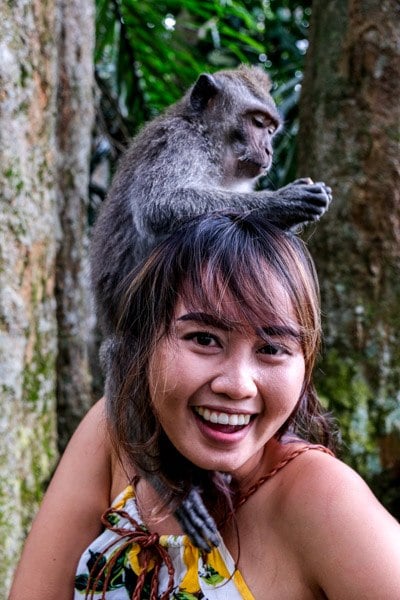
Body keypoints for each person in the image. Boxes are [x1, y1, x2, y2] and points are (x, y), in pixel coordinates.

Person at [10, 212, 400, 600]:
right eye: (204, 338)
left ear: (306, 360)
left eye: (270, 349)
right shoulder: (115, 431)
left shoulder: (322, 499)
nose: (236, 385)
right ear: (146, 341)